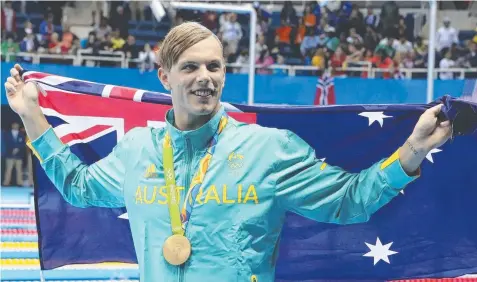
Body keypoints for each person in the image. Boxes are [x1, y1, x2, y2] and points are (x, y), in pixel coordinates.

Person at [4, 22, 451, 281]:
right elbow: (80, 188)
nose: (205, 77)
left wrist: (412, 149)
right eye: (191, 67)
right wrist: (30, 115)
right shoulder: (138, 148)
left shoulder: (267, 149)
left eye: (215, 66)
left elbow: (348, 201)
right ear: (165, 77)